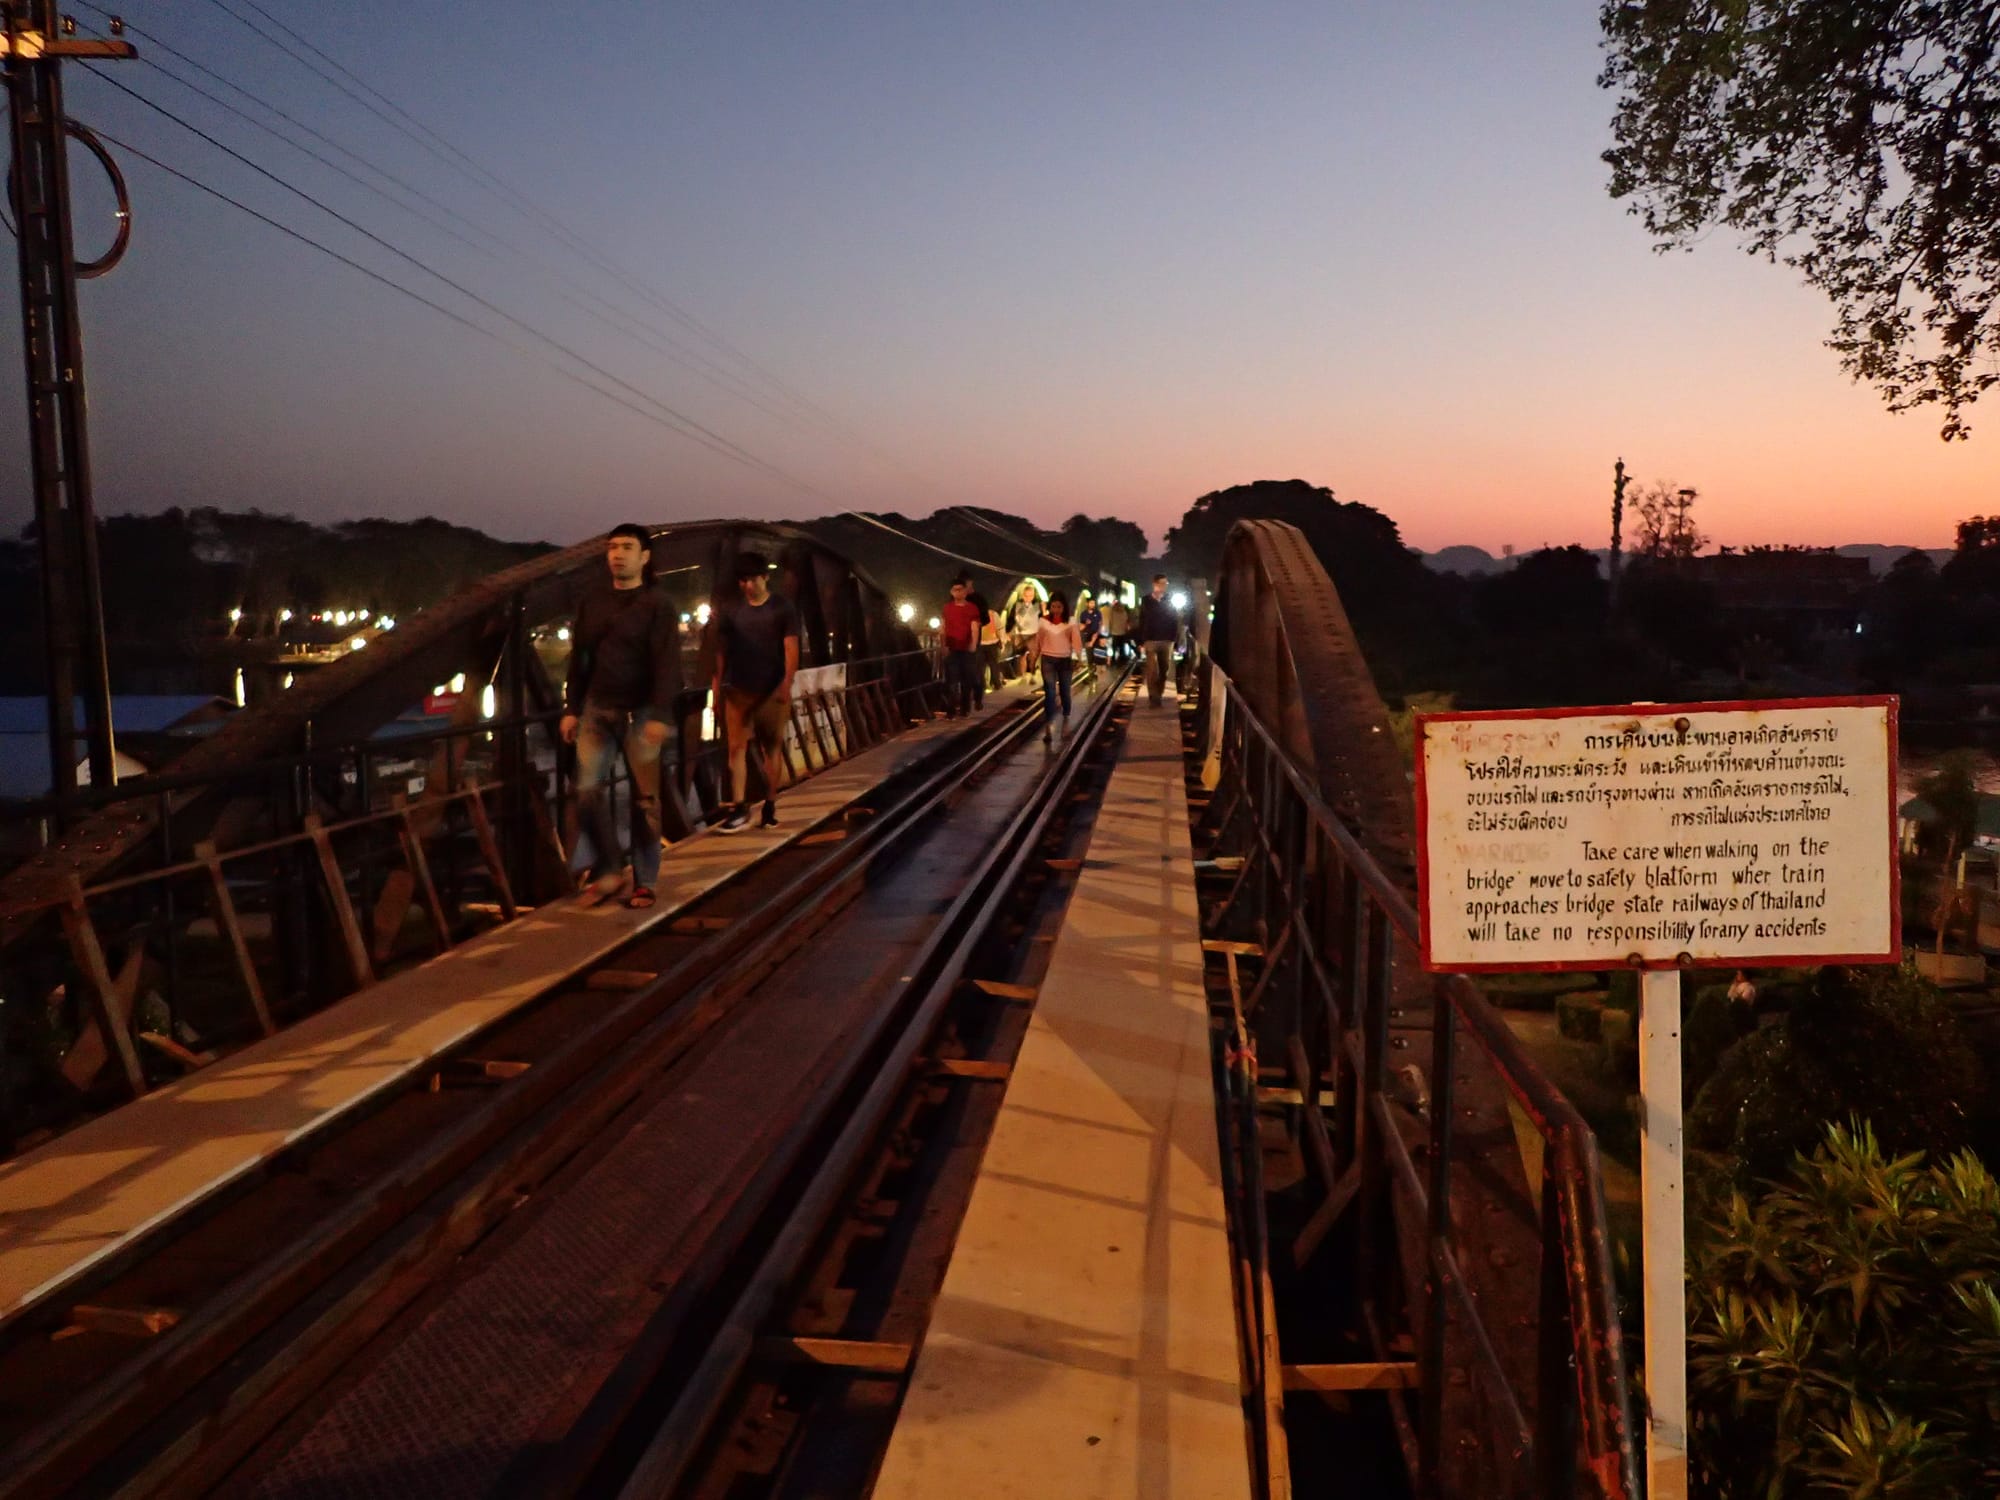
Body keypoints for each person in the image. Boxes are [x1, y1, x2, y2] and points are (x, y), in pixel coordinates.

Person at [562, 523, 680, 908]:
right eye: (612, 547)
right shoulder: (592, 601)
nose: (617, 554)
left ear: (644, 557)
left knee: (645, 800)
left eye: (627, 547)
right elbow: (580, 659)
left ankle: (644, 880)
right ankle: (611, 869)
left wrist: (660, 714)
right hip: (598, 708)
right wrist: (571, 708)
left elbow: (667, 663)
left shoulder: (658, 604)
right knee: (585, 792)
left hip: (643, 712)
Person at [712, 551, 800, 834]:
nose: (747, 586)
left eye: (752, 580)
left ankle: (770, 805)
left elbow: (790, 649)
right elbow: (721, 654)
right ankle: (739, 808)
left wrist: (786, 685)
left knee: (770, 749)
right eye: (743, 581)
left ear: (765, 577)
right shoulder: (731, 611)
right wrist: (716, 689)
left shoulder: (782, 609)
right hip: (738, 691)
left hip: (771, 691)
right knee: (735, 750)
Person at [1026, 590, 1083, 742]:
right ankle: (1049, 722)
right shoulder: (1043, 621)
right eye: (1053, 607)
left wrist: (1079, 656)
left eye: (1059, 607)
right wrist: (1033, 658)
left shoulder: (1071, 621)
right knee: (1050, 692)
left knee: (1065, 690)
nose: (1056, 609)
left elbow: (1076, 640)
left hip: (1065, 660)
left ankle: (1066, 716)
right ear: (1050, 607)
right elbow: (1038, 641)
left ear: (1064, 607)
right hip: (1048, 659)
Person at [940, 576, 983, 717]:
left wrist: (973, 644)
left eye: (960, 590)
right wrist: (943, 645)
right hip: (952, 648)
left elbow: (974, 627)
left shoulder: (972, 608)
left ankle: (965, 708)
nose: (958, 592)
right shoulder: (947, 608)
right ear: (951, 592)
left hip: (966, 649)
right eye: (955, 590)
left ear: (965, 592)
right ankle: (951, 710)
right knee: (952, 680)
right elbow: (943, 627)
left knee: (967, 680)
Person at [1137, 574, 1179, 708]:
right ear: (1154, 584)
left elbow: (1174, 620)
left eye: (1166, 583)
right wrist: (1140, 640)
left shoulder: (1169, 600)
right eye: (1162, 583)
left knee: (1164, 670)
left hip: (1167, 640)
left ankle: (1159, 694)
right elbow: (1142, 620)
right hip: (1150, 640)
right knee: (1152, 669)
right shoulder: (1146, 600)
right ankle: (1153, 698)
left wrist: (1174, 639)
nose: (1164, 586)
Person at [1010, 583, 1042, 679]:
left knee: (1033, 655)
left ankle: (1032, 674)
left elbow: (1041, 617)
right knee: (1021, 655)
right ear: (1023, 595)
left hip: (1033, 633)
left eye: (1030, 595)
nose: (1028, 598)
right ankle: (1023, 675)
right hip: (1021, 633)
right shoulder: (1018, 604)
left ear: (1034, 595)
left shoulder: (1037, 604)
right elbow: (1014, 617)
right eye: (1026, 595)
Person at [976, 587, 1004, 695]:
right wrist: (1001, 640)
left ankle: (983, 686)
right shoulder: (993, 614)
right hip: (991, 643)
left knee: (981, 667)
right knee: (993, 665)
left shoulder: (976, 615)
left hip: (983, 644)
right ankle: (996, 684)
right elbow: (999, 628)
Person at [1076, 592, 1104, 691]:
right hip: (1087, 636)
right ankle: (1091, 674)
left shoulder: (1098, 613)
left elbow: (1100, 624)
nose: (1092, 605)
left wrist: (1098, 634)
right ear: (1087, 604)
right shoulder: (1083, 614)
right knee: (1089, 656)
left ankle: (1094, 673)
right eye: (1091, 603)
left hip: (1096, 635)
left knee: (1097, 655)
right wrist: (1086, 624)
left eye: (1094, 603)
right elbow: (1081, 627)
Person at [1103, 596, 1130, 662]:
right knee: (1121, 647)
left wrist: (1109, 630)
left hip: (1114, 632)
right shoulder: (1124, 612)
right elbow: (1126, 621)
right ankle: (1122, 659)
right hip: (1122, 632)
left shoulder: (1112, 612)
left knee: (1114, 647)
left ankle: (1113, 660)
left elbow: (1110, 621)